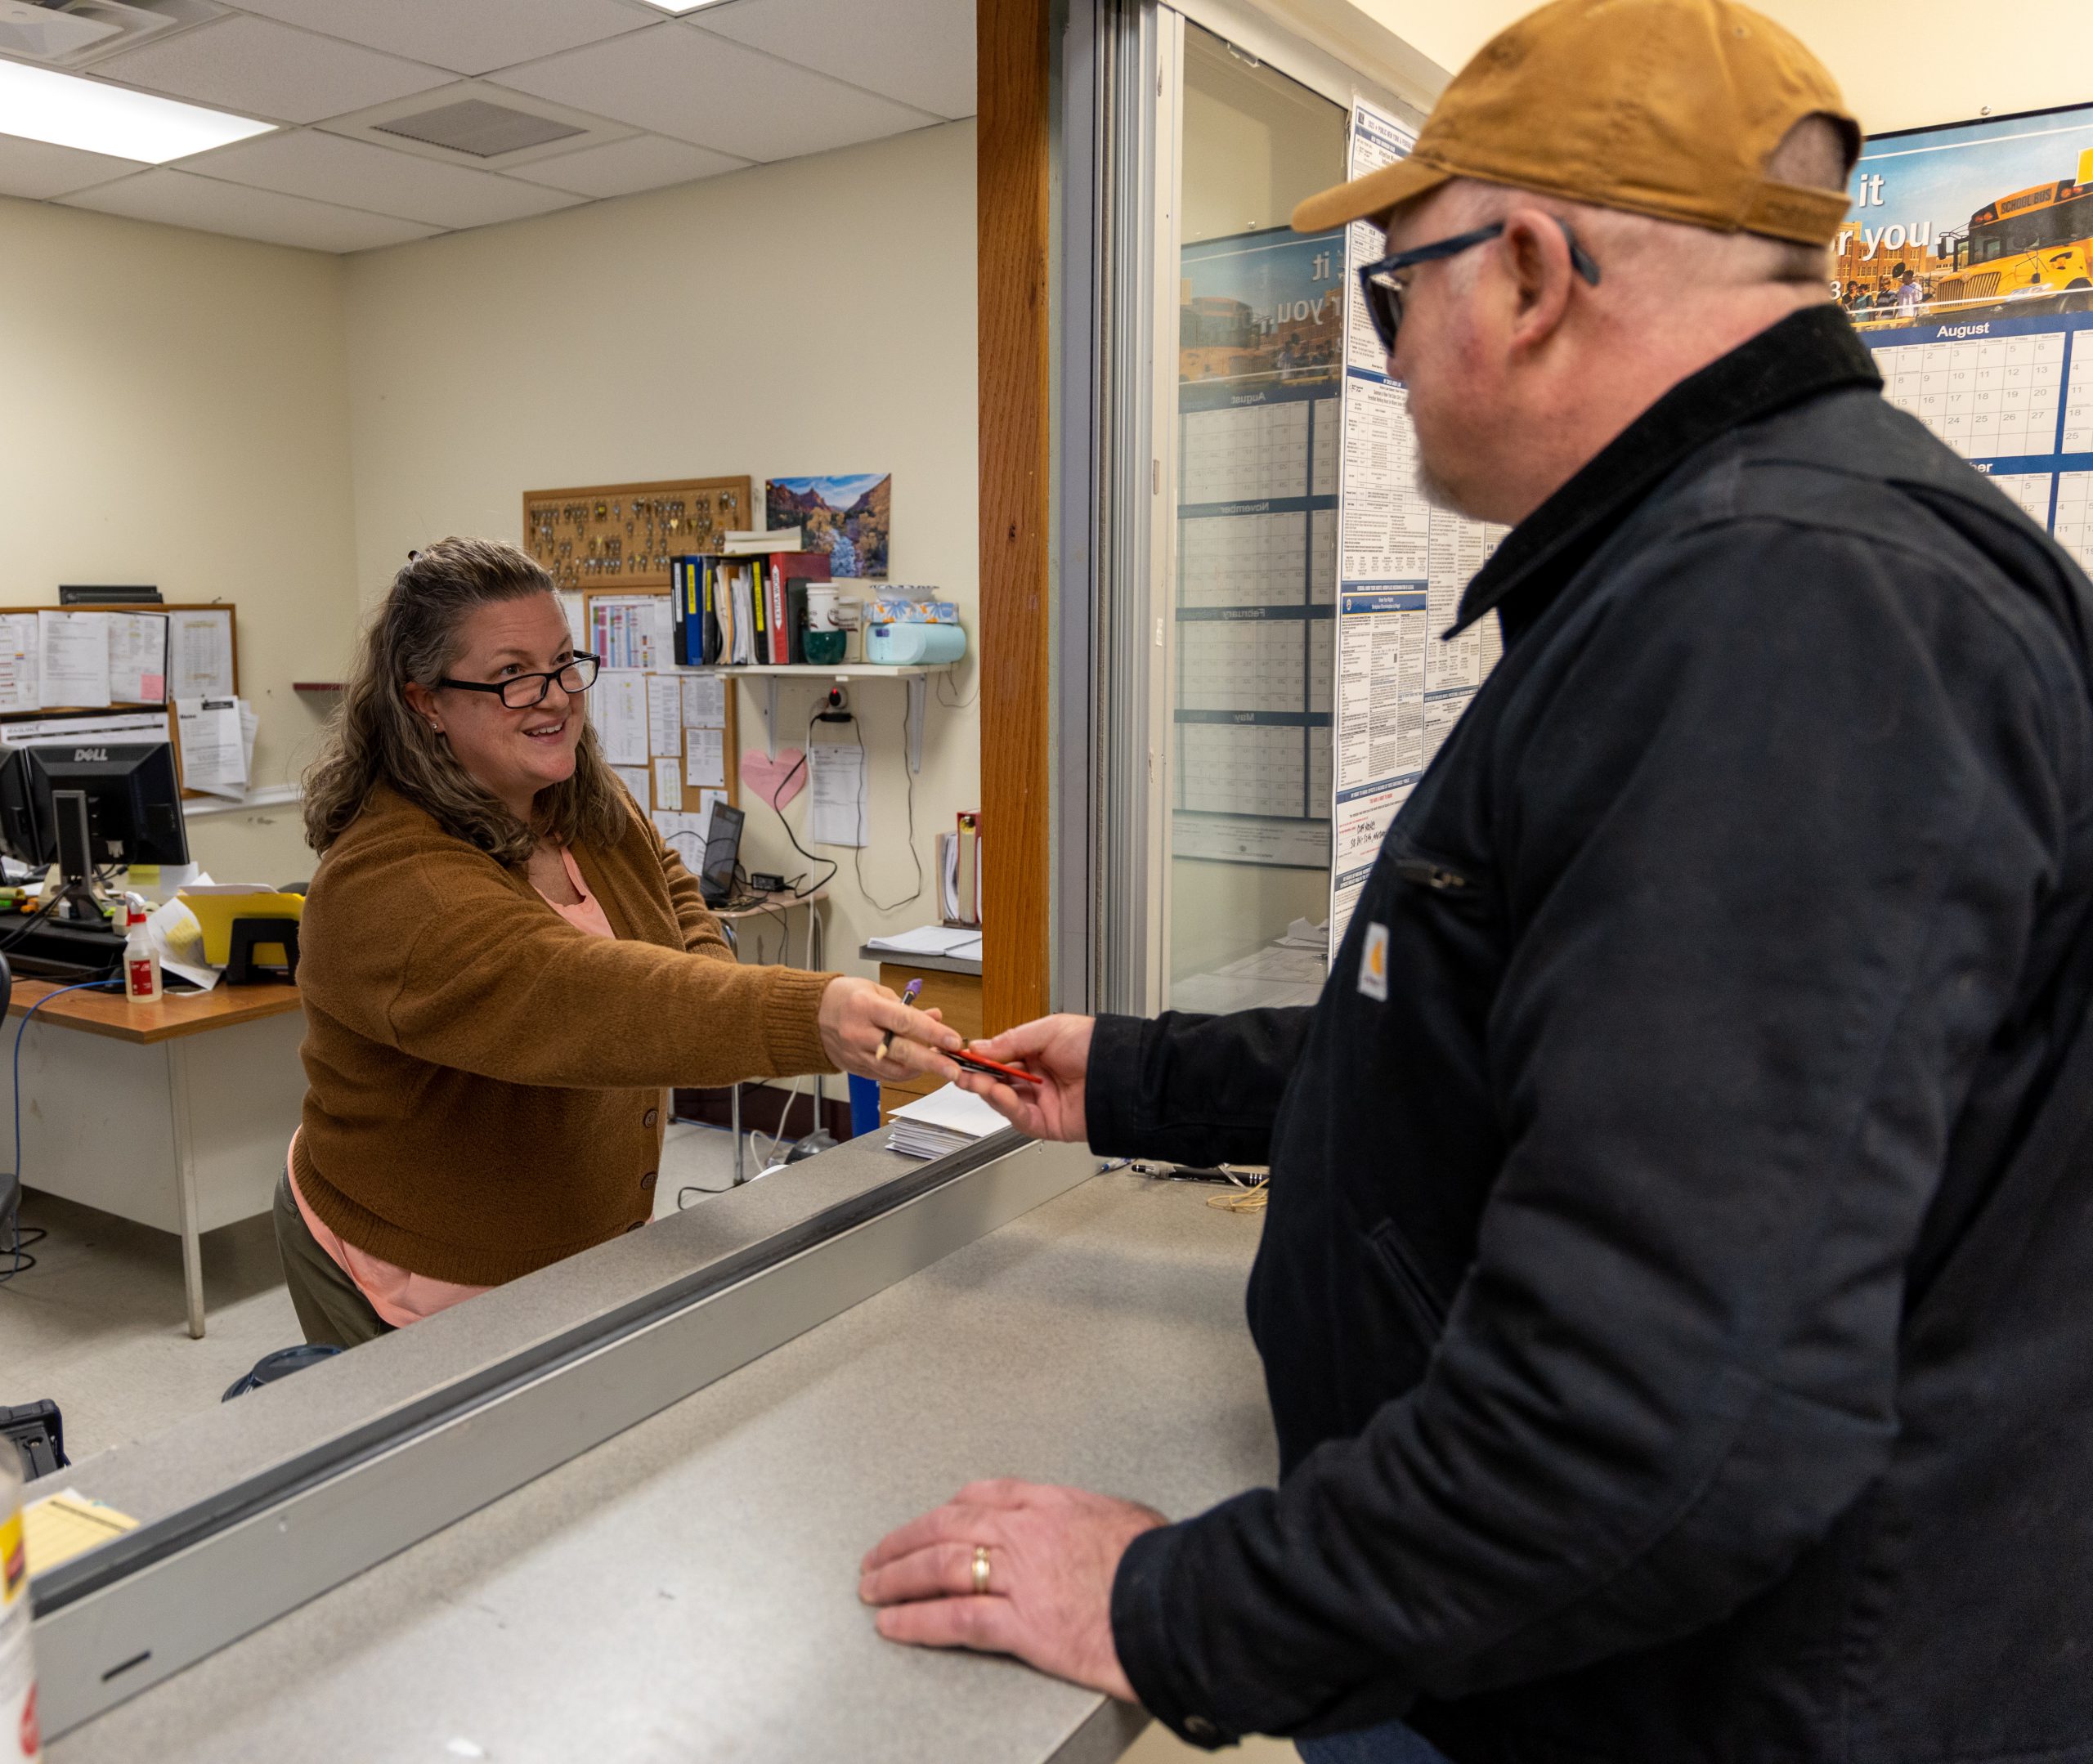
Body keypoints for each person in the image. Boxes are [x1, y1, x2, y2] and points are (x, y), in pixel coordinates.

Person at [861, 2, 2093, 1760]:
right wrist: (1142, 1074)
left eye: (1390, 291)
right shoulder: (1737, 562)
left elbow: (1657, 1410)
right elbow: (1530, 1041)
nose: (1390, 345)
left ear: (1521, 273)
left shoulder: (1782, 612)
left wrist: (1167, 1603)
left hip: (1705, 1703)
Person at [279, 538, 961, 1347]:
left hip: (569, 1248)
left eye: (565, 662)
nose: (556, 696)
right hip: (417, 1269)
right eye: (511, 675)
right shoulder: (395, 887)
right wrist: (805, 1011)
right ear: (425, 700)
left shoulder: (566, 797)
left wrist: (699, 1004)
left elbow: (669, 889)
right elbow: (580, 993)